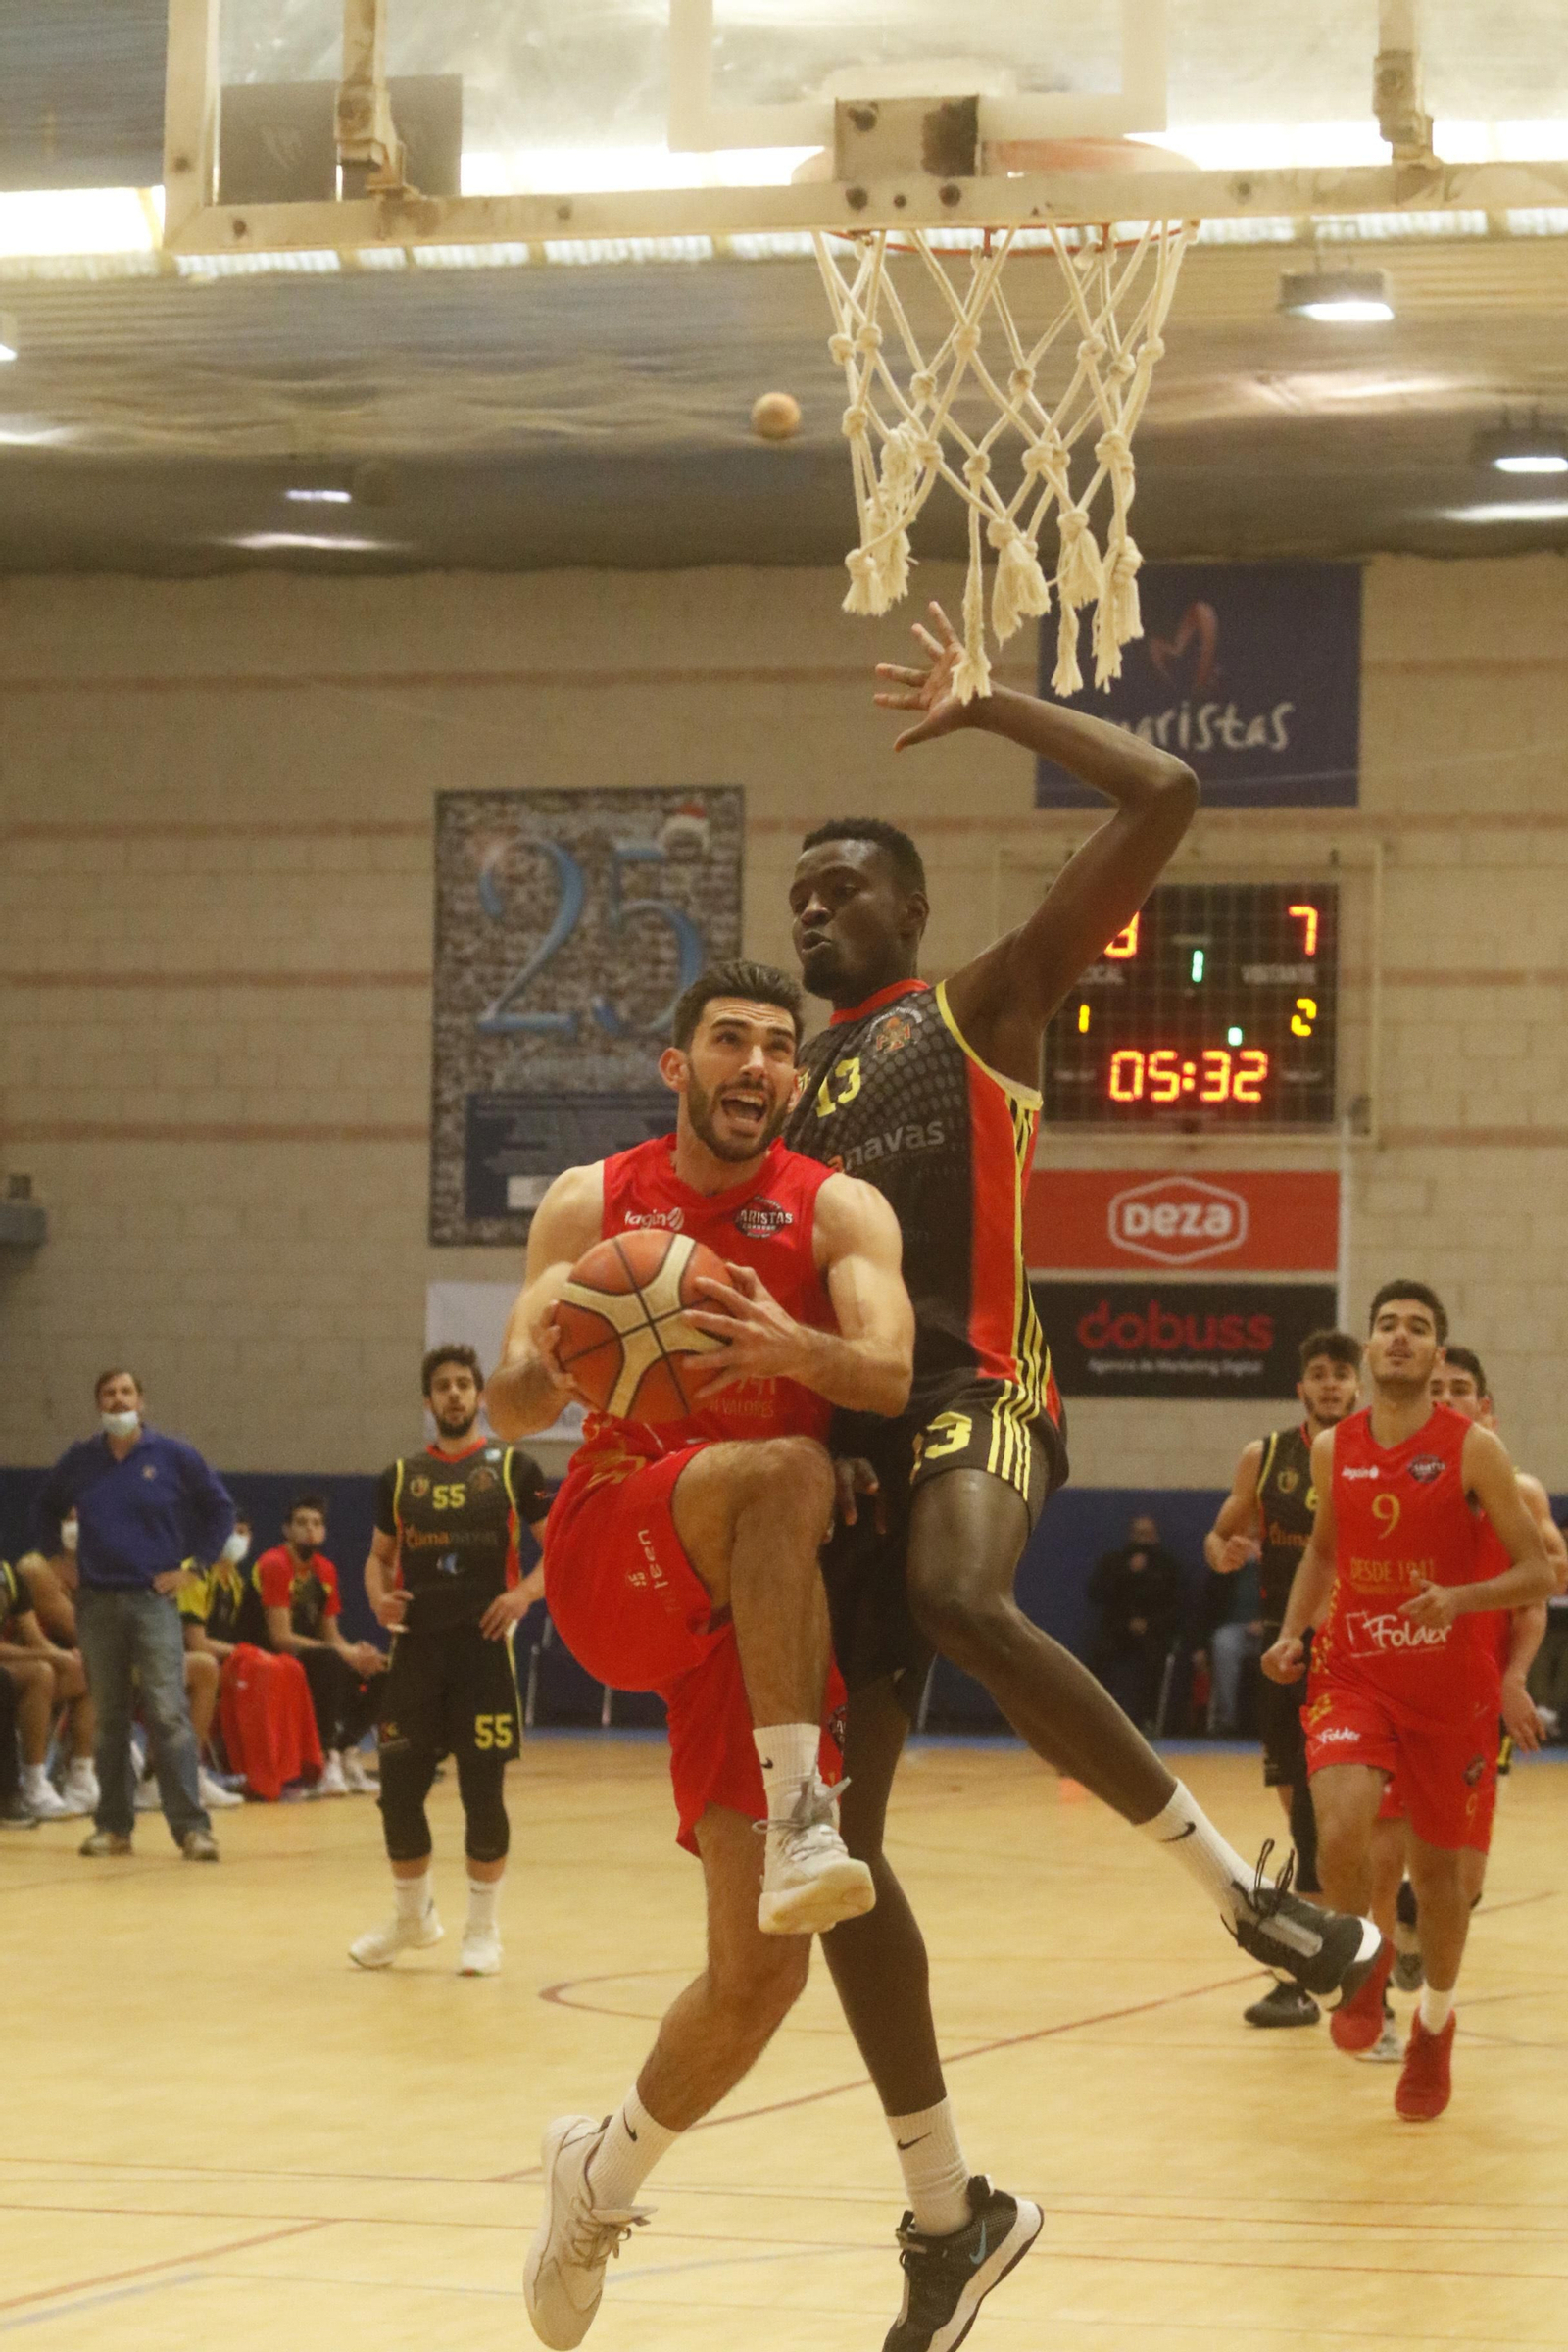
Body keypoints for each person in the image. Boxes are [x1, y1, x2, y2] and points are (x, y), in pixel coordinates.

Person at [780, 603, 1380, 2341]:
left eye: (845, 888)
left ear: (911, 909)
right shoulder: (796, 1098)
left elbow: (1173, 790)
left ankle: (1249, 1898)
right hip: (863, 1459)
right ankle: (947, 2213)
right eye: (798, 896)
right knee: (841, 1865)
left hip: (985, 1395)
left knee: (971, 1596)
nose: (816, 910)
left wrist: (992, 709)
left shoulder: (981, 1006)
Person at [485, 961, 950, 2352]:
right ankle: (812, 1813)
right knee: (782, 1476)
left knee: (763, 1975)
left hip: (757, 1614)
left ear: (795, 1082)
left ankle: (598, 2178)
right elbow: (515, 1390)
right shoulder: (593, 1198)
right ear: (678, 1066)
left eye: (778, 1048)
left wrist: (788, 1338)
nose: (758, 1063)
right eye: (730, 1041)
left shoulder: (837, 1206)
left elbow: (886, 1371)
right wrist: (546, 1364)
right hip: (618, 1540)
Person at [1262, 1281, 1556, 2120]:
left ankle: (1434, 2025)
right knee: (1342, 1828)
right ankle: (1361, 1969)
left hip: (1450, 1690)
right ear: (1367, 1347)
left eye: (1417, 1329)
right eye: (1387, 1325)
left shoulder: (1473, 1452)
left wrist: (1459, 1600)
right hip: (1356, 1669)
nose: (1399, 1338)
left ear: (1436, 1356)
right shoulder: (1333, 1449)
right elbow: (1322, 1553)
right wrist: (1293, 1632)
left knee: (1442, 1884)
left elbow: (1538, 1573)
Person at [1368, 1346, 1568, 2014]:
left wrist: (1515, 1678)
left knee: (1465, 1878)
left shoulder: (1516, 1486)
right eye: (1439, 1387)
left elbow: (1538, 1594)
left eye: (1462, 1390)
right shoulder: (1392, 1477)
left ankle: (1414, 1924)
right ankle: (1383, 2002)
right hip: (1400, 1692)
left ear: (1485, 1409)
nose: (1448, 1398)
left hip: (1479, 1698)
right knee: (1382, 1848)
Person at [352, 1344, 551, 1977]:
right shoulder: (402, 1476)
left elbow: (562, 1550)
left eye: (465, 1384)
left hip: (484, 1654)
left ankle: (483, 1931)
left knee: (482, 1793)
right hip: (415, 1652)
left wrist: (522, 1595)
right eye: (443, 1386)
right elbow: (378, 1558)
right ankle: (413, 1918)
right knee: (398, 1793)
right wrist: (381, 1600)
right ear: (428, 1400)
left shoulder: (516, 1469)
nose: (455, 1395)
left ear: (481, 1394)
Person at [1204, 1328, 1363, 2029]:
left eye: (1341, 1375)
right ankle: (1342, 1935)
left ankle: (1312, 1962)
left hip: (1354, 1651)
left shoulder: (1374, 1455)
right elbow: (1217, 1541)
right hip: (1284, 1647)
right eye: (1320, 1375)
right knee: (1292, 1798)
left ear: (1356, 1386)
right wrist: (1228, 1551)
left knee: (1317, 1813)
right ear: (1303, 1386)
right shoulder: (1265, 1458)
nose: (1331, 1385)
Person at [35, 1368, 231, 1861]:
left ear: (141, 1401)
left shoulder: (173, 1456)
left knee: (168, 1712)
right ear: (98, 1404)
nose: (118, 1400)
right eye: (108, 1393)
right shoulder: (81, 1461)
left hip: (154, 1602)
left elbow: (219, 1510)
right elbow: (43, 1511)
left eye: (126, 1392)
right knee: (109, 1719)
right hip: (97, 1602)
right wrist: (59, 1561)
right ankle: (114, 1827)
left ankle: (191, 1828)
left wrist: (194, 1569)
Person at [178, 1515, 322, 1802]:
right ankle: (208, 1771)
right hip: (183, 1657)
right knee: (257, 1668)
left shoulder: (234, 1582)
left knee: (288, 1668)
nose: (237, 1538)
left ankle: (288, 1770)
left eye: (243, 1533)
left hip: (218, 1659)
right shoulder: (194, 1573)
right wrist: (244, 1653)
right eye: (231, 1531)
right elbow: (195, 1642)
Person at [255, 1496, 385, 1795]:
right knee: (330, 1660)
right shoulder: (275, 1564)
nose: (309, 1530)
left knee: (383, 1668)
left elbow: (331, 1634)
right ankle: (326, 1760)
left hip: (319, 1655)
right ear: (286, 1530)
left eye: (316, 1523)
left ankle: (347, 1749)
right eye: (301, 1523)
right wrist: (341, 1653)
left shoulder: (325, 1570)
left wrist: (358, 1653)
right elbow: (281, 1637)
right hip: (274, 1656)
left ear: (324, 1532)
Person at [0, 1554, 96, 1818]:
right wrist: (46, 1657)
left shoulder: (7, 1572)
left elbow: (34, 1638)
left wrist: (61, 1656)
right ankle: (32, 1783)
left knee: (85, 1670)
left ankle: (81, 1779)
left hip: (7, 1668)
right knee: (40, 1673)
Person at [1085, 1514, 1187, 1731]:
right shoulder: (1114, 1562)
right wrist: (1126, 1573)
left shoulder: (1168, 1566)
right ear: (1130, 1536)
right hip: (1118, 1628)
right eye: (1139, 1534)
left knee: (1154, 1659)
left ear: (1156, 1537)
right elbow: (1097, 1593)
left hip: (1154, 1630)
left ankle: (1148, 1719)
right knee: (1099, 1654)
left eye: (1148, 1535)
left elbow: (1176, 1605)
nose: (1143, 1540)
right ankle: (1096, 1715)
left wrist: (1149, 1624)